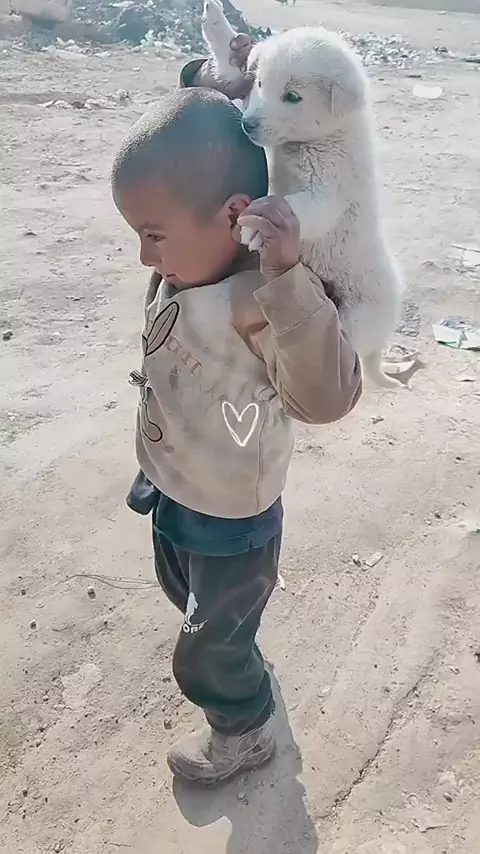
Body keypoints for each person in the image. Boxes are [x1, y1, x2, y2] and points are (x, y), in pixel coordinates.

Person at [111, 78, 362, 786]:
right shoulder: (187, 266)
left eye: (153, 236)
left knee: (205, 647)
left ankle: (243, 729)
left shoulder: (265, 299)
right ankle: (235, 650)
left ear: (233, 215)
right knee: (184, 592)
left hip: (231, 517)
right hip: (175, 485)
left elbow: (327, 399)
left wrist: (287, 280)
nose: (144, 258)